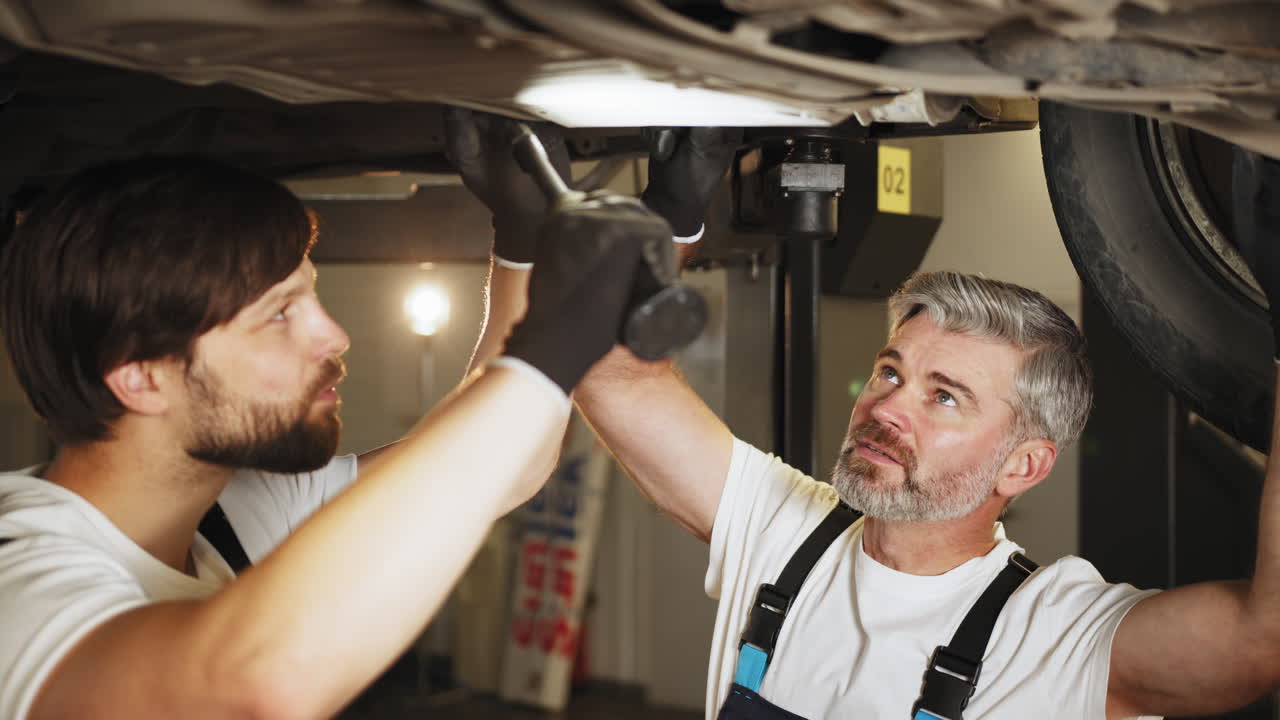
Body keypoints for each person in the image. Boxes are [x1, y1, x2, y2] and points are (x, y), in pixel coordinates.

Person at [457, 117, 1280, 719]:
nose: (886, 404)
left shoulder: (1058, 634)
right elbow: (616, 373)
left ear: (1024, 464)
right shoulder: (786, 531)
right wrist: (675, 217)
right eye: (891, 370)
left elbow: (1260, 637)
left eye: (943, 395)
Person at [0, 151, 674, 719]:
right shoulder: (20, 583)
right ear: (142, 379)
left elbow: (508, 467)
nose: (334, 336)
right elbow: (257, 684)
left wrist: (525, 242)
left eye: (311, 295)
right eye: (279, 314)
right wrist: (549, 351)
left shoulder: (236, 514)